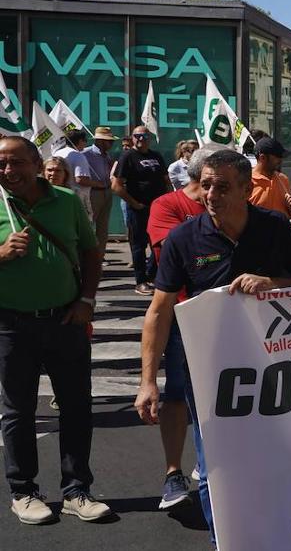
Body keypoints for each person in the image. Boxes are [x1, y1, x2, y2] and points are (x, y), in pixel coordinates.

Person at [136, 149, 291, 547]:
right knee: (216, 466)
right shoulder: (184, 238)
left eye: (221, 186)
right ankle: (227, 542)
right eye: (205, 185)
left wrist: (273, 282)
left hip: (273, 367)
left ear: (247, 188)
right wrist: (148, 381)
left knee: (278, 458)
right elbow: (160, 310)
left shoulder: (274, 227)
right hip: (211, 369)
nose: (210, 194)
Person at [0, 136, 110, 525]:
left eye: (17, 163)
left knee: (77, 406)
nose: (9, 171)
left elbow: (91, 251)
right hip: (10, 324)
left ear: (36, 162)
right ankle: (23, 491)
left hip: (66, 320)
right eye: (1, 164)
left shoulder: (65, 201)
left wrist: (86, 301)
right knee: (18, 411)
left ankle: (77, 489)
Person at [145, 149, 210, 512]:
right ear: (199, 178)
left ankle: (209, 464)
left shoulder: (237, 209)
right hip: (182, 315)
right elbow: (172, 251)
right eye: (213, 184)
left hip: (226, 321)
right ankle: (174, 473)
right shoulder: (167, 205)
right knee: (178, 393)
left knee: (223, 396)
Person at [111, 125, 171, 295]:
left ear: (149, 138)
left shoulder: (156, 156)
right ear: (132, 138)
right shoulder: (127, 156)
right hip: (138, 209)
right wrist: (134, 203)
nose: (140, 139)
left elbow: (166, 180)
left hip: (158, 208)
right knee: (138, 245)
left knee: (160, 243)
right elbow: (116, 186)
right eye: (137, 136)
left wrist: (168, 200)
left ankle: (152, 274)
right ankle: (141, 281)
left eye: (144, 136)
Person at [81, 127, 116, 249]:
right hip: (93, 193)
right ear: (100, 141)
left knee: (103, 229)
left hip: (106, 192)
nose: (112, 144)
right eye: (109, 141)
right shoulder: (85, 154)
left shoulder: (106, 155)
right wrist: (97, 184)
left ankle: (99, 258)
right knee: (88, 226)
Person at [248, 137, 291, 218]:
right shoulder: (246, 181)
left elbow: (287, 216)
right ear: (262, 157)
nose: (281, 160)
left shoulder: (283, 179)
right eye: (277, 156)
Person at [54, 129, 92, 210]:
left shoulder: (56, 153)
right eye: (85, 140)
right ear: (80, 140)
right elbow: (81, 180)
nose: (85, 143)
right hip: (77, 200)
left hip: (59, 195)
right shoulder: (78, 156)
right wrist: (100, 184)